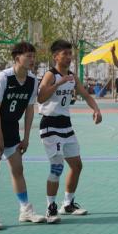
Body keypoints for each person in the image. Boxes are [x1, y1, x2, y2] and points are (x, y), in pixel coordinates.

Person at [38, 40, 102, 223]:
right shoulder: (50, 75)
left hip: (66, 125)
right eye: (64, 54)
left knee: (77, 165)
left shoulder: (72, 76)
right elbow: (41, 97)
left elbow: (86, 95)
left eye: (69, 53)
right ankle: (50, 207)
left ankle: (67, 204)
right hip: (50, 125)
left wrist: (96, 109)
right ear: (55, 56)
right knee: (57, 167)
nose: (69, 57)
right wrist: (58, 83)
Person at [0, 42, 45, 230]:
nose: (32, 60)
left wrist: (26, 138)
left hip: (11, 127)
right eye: (28, 56)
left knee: (18, 169)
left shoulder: (32, 81)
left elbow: (29, 110)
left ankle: (25, 210)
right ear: (17, 58)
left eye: (33, 56)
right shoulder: (3, 78)